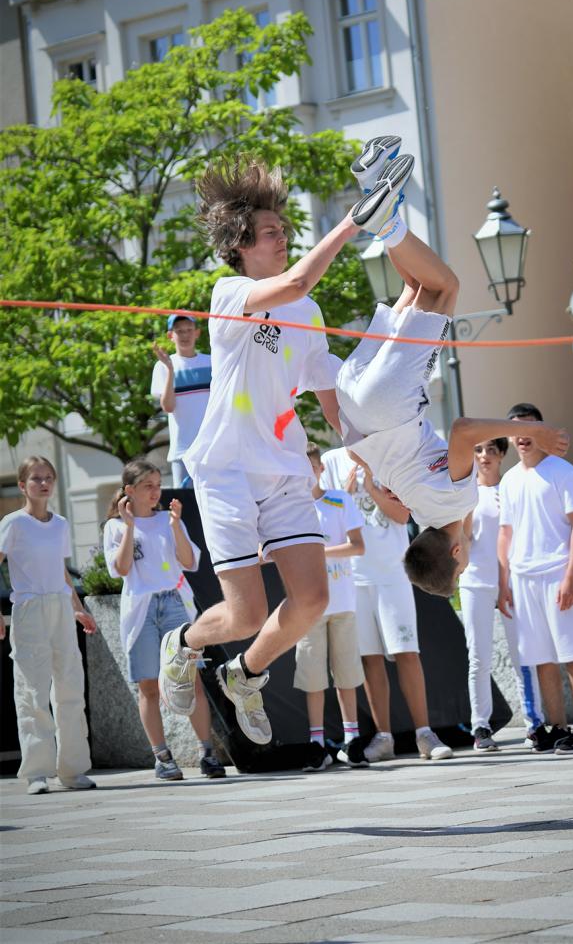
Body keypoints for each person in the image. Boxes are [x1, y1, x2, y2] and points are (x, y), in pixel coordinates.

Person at [158, 150, 414, 744]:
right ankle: (184, 642)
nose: (282, 238)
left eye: (283, 230)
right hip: (225, 468)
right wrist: (353, 222)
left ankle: (243, 674)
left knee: (313, 598)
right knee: (243, 614)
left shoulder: (308, 310)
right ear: (241, 244)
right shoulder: (230, 292)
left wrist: (373, 460)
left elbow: (329, 395)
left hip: (282, 467)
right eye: (271, 232)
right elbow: (297, 278)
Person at [334, 141, 570, 603]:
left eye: (459, 570)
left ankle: (384, 220)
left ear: (458, 551)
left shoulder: (459, 502)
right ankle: (372, 184)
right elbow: (366, 459)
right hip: (354, 404)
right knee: (417, 286)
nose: (464, 564)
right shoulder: (414, 506)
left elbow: (463, 430)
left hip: (390, 405)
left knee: (445, 287)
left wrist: (532, 430)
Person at [322, 444, 454, 762]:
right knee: (370, 659)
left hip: (393, 573)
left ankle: (424, 734)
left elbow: (402, 515)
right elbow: (326, 517)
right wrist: (345, 495)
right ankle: (383, 738)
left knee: (407, 652)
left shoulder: (390, 456)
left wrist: (370, 488)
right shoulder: (330, 461)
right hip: (354, 577)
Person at [103, 459, 226, 781]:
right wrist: (129, 526)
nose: (155, 491)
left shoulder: (168, 520)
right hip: (140, 609)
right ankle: (162, 757)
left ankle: (207, 753)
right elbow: (122, 569)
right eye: (148, 486)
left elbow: (190, 561)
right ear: (129, 490)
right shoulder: (115, 527)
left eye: (157, 485)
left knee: (191, 680)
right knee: (148, 686)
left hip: (174, 604)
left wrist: (174, 526)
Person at [497, 403, 573, 755]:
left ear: (543, 430)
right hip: (523, 576)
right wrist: (504, 581)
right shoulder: (509, 480)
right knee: (541, 657)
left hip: (558, 571)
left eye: (529, 428)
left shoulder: (562, 470)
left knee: (572, 652)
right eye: (515, 430)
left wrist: (571, 575)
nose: (522, 436)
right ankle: (557, 727)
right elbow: (505, 534)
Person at [0, 456, 97, 795]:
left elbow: (62, 570)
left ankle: (72, 770)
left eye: (48, 478)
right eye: (36, 478)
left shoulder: (60, 524)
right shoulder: (13, 523)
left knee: (70, 687)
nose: (43, 484)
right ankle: (37, 773)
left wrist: (78, 609)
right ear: (22, 484)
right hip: (29, 609)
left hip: (60, 608)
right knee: (32, 690)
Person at [458, 438, 543, 752]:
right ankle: (480, 726)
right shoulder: (465, 493)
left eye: (491, 450)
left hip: (511, 582)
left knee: (523, 653)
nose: (484, 456)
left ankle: (535, 723)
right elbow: (463, 539)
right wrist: (467, 504)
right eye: (478, 450)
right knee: (478, 656)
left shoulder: (511, 488)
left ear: (502, 455)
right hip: (475, 581)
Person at [294, 444, 367, 771]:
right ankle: (317, 743)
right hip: (307, 607)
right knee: (312, 676)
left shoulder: (339, 500)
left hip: (342, 602)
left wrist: (318, 553)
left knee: (346, 673)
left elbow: (357, 546)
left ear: (321, 468)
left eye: (310, 467)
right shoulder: (289, 508)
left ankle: (352, 740)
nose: (306, 474)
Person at [151, 314, 212, 488]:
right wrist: (170, 369)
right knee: (183, 502)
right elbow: (168, 407)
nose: (185, 335)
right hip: (182, 452)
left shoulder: (211, 362)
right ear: (171, 335)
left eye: (189, 330)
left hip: (211, 449)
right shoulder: (162, 366)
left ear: (197, 333)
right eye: (179, 331)